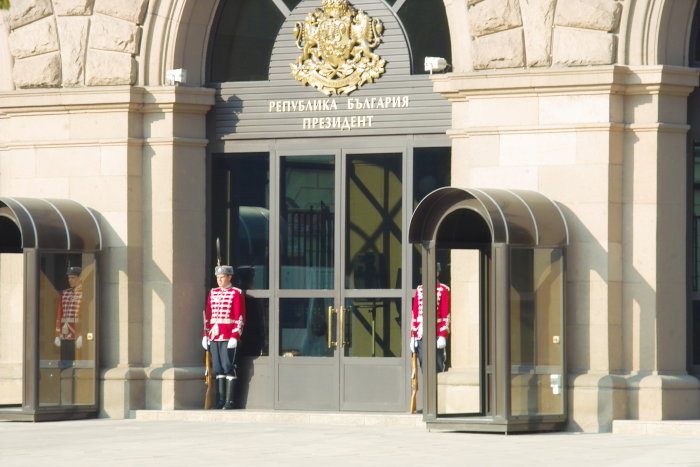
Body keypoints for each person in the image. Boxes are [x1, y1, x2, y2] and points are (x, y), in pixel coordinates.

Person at [202, 265, 246, 409]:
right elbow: (208, 316)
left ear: (229, 277)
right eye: (218, 278)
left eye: (222, 277)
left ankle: (230, 401)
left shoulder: (236, 293)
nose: (219, 280)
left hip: (228, 335)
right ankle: (220, 400)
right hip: (214, 336)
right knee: (217, 368)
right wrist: (205, 335)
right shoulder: (213, 293)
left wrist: (235, 335)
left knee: (228, 366)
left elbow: (240, 316)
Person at [409, 263, 450, 372]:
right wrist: (413, 337)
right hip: (421, 333)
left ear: (437, 273)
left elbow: (446, 314)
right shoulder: (420, 289)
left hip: (436, 332)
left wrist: (442, 335)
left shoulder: (443, 290)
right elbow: (415, 314)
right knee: (423, 362)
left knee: (437, 363)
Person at [54, 266, 83, 367]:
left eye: (73, 277)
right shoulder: (65, 293)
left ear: (80, 278)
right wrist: (57, 334)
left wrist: (81, 334)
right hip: (65, 333)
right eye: (69, 278)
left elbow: (86, 316)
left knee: (78, 363)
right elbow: (59, 314)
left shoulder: (84, 293)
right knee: (65, 363)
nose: (70, 280)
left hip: (77, 333)